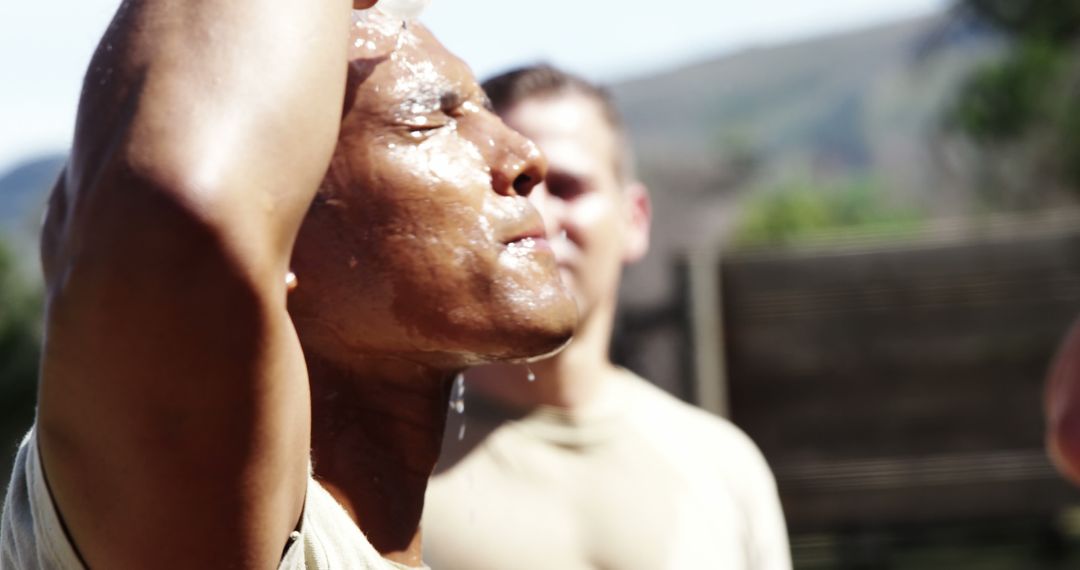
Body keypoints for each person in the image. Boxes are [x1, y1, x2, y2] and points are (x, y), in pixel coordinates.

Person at [0, 2, 577, 569]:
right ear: (281, 235)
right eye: (427, 120)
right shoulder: (179, 520)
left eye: (487, 114)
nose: (526, 157)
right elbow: (170, 223)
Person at [422, 64, 792, 570]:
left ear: (633, 219)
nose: (542, 216)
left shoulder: (723, 466)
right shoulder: (392, 467)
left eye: (569, 187)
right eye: (513, 185)